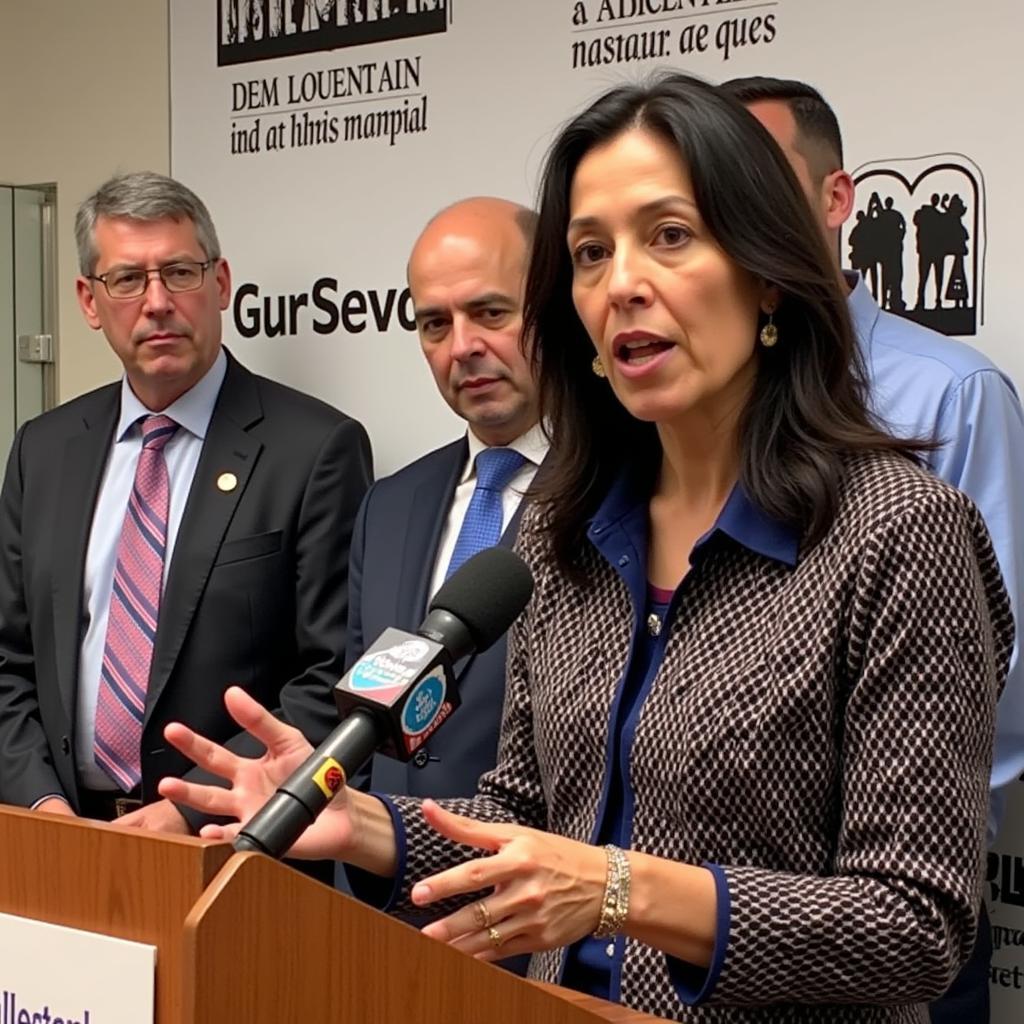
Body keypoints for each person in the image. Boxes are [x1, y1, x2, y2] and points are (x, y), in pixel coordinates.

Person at [158, 74, 1013, 1022]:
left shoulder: (899, 532)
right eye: (591, 253)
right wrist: (361, 823)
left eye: (671, 236)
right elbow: (525, 822)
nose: (624, 284)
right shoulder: (564, 531)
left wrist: (619, 891)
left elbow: (917, 927)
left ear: (768, 269)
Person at [719, 75, 1024, 1023]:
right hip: (696, 897)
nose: (740, 215)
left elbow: (994, 662)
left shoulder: (950, 395)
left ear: (837, 199)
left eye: (759, 181)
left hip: (889, 895)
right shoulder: (692, 400)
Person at [0, 172, 372, 832]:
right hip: (63, 834)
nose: (157, 302)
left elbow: (332, 679)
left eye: (179, 272)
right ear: (89, 300)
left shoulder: (314, 450)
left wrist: (192, 805)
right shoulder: (43, 450)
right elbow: (10, 663)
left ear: (221, 283)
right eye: (127, 280)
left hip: (232, 841)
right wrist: (43, 807)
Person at [347, 197, 545, 803]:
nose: (462, 346)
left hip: (536, 883)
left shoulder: (629, 496)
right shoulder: (390, 506)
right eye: (436, 324)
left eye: (490, 312)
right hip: (379, 887)